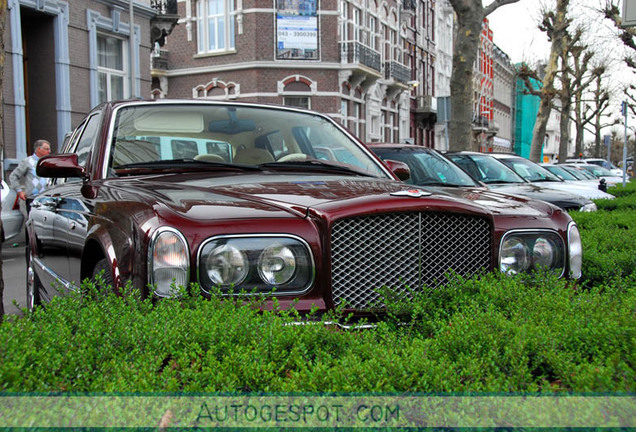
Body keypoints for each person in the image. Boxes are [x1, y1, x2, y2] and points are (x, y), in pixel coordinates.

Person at [9, 139, 52, 215]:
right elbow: (13, 176)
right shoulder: (27, 161)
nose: (49, 151)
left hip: (48, 198)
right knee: (33, 222)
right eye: (47, 149)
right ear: (39, 149)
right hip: (33, 199)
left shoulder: (49, 162)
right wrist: (19, 191)